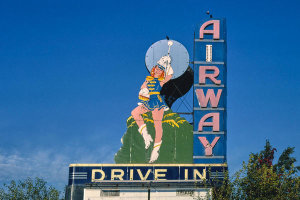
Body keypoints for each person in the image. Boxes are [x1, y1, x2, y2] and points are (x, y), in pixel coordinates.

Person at [131, 54, 174, 163]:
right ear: (153, 70)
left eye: (160, 70)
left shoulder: (161, 81)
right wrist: (143, 92)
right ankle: (146, 136)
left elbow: (170, 75)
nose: (158, 71)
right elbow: (142, 89)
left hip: (157, 102)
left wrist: (168, 63)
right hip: (148, 101)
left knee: (157, 125)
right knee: (135, 113)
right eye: (157, 69)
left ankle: (156, 151)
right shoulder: (147, 80)